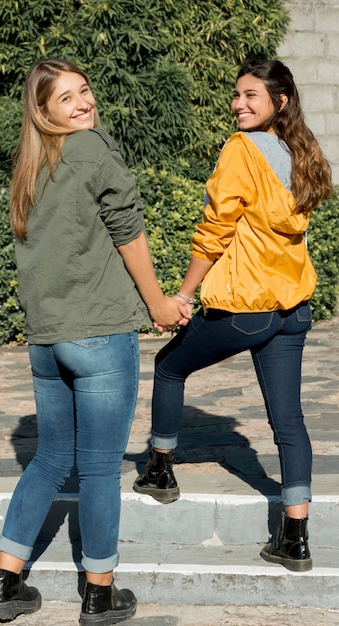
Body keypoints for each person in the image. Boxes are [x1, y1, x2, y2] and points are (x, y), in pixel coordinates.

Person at [0, 58, 190, 625]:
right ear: (44, 112)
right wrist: (158, 304)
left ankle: (6, 582)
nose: (82, 103)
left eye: (85, 91)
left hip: (47, 341)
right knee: (99, 469)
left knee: (51, 459)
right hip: (98, 334)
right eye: (66, 99)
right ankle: (99, 595)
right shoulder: (93, 147)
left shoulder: (30, 167)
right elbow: (129, 228)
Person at [133, 59, 333, 573]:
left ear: (279, 101)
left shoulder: (241, 149)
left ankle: (159, 469)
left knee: (170, 366)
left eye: (251, 96)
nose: (239, 104)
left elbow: (215, 229)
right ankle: (295, 539)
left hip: (246, 306)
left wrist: (181, 294)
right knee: (289, 421)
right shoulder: (299, 150)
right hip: (293, 308)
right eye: (237, 95)